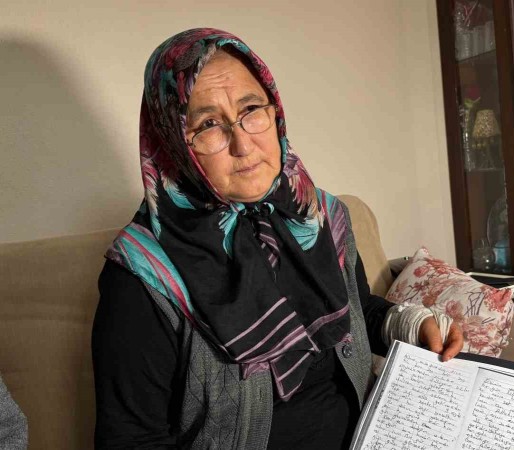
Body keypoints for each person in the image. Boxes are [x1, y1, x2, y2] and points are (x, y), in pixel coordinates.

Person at [91, 28, 462, 449]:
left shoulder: (319, 215)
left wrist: (411, 323)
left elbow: (357, 311)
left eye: (251, 109)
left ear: (275, 111)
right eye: (209, 124)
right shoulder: (141, 275)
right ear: (173, 140)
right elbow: (131, 440)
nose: (243, 144)